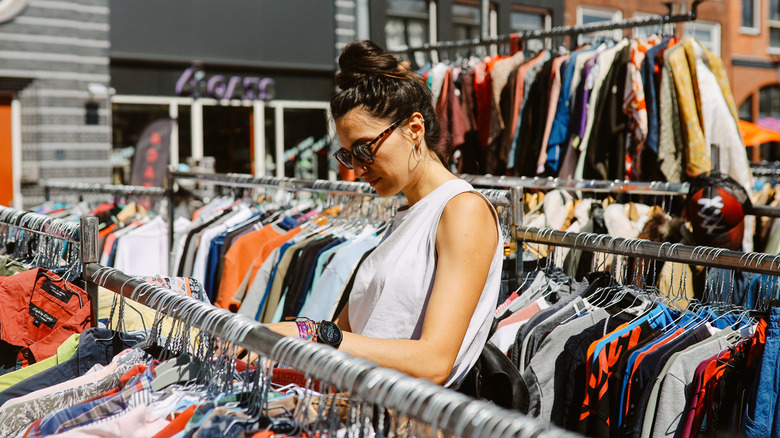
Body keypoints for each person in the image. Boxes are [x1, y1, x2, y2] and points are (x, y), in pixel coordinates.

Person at [266, 40, 503, 388]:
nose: (358, 168)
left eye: (364, 149)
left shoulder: (462, 210)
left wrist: (310, 332)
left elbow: (434, 361)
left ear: (415, 128)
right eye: (348, 156)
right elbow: (352, 334)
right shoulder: (406, 216)